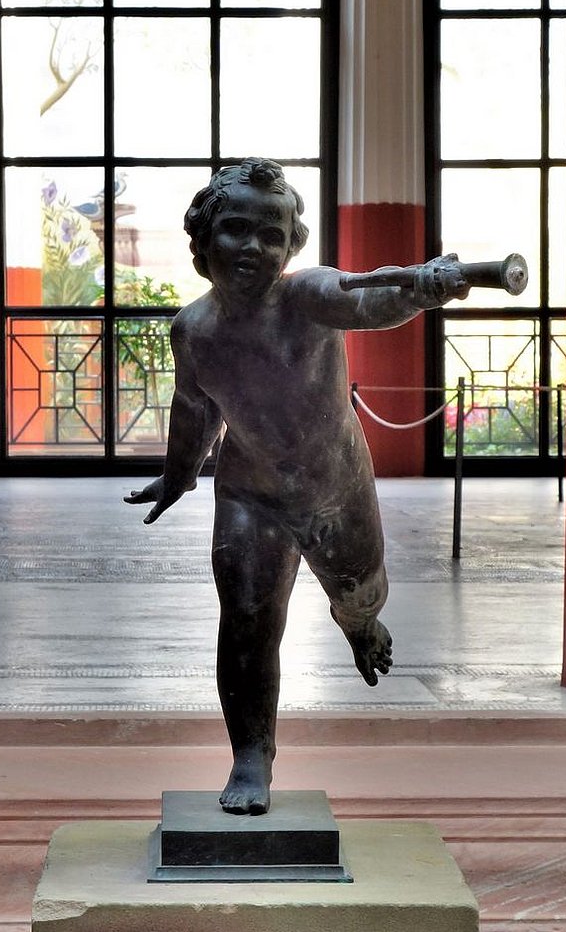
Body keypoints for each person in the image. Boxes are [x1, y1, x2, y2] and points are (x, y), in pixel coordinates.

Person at [126, 158, 471, 815]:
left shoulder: (306, 297)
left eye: (272, 234)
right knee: (247, 622)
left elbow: (367, 295)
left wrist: (422, 287)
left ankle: (358, 623)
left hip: (334, 488)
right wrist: (178, 475)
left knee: (360, 593)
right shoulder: (193, 330)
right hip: (249, 493)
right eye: (236, 229)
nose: (253, 247)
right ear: (202, 239)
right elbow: (196, 407)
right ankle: (251, 756)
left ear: (291, 247)